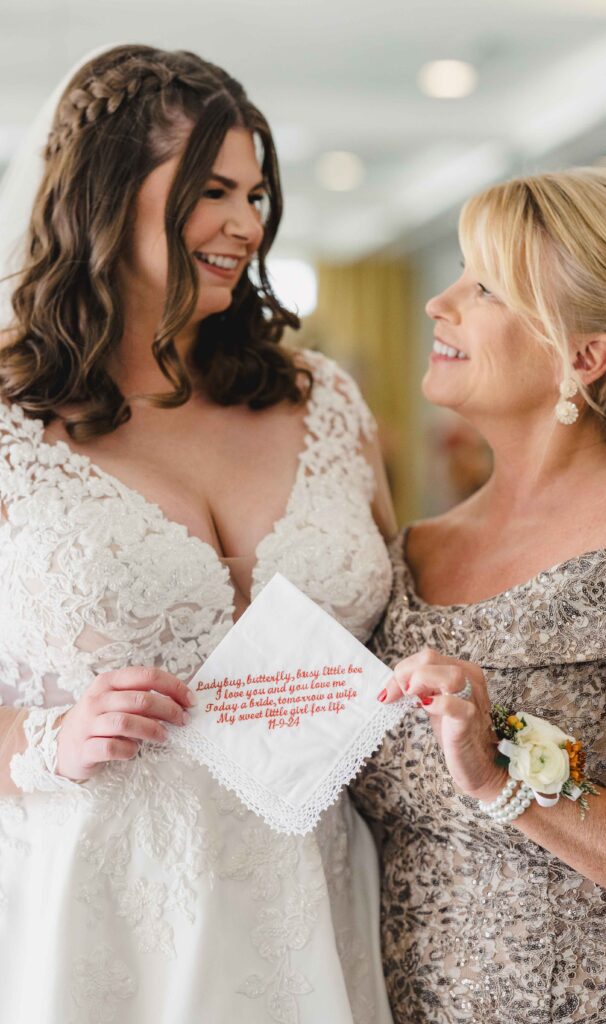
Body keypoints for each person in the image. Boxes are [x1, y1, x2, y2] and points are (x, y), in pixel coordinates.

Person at [0, 45, 397, 1023]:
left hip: (318, 899)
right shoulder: (8, 417)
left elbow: (405, 627)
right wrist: (46, 743)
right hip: (99, 909)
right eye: (212, 189)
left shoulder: (324, 398)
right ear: (105, 192)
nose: (244, 224)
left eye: (257, 195)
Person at [351, 167, 606, 1023]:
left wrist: (507, 780)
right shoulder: (411, 550)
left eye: (484, 286)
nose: (438, 303)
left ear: (582, 356)